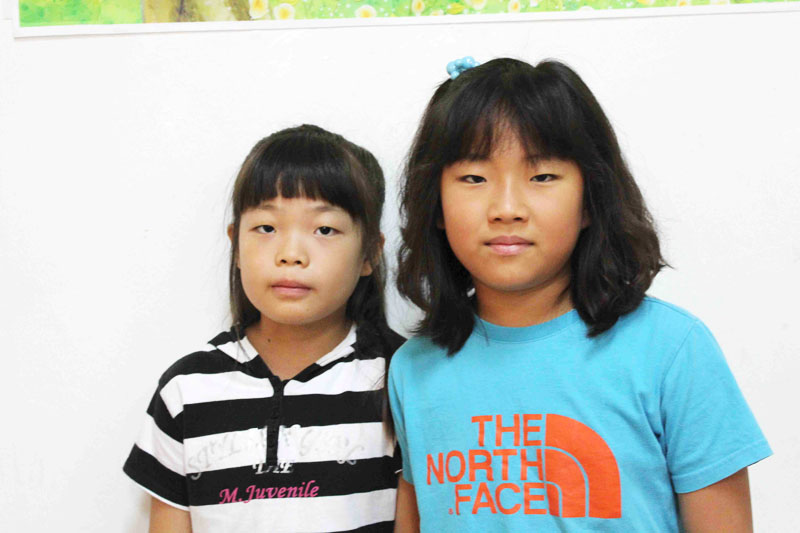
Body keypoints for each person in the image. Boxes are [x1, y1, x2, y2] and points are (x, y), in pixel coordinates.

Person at [389, 57, 771, 532]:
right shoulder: (413, 368)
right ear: (436, 205)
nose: (506, 208)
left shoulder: (671, 350)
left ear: (590, 200)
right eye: (473, 178)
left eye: (542, 176)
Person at [123, 124, 404, 532]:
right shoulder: (186, 390)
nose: (291, 254)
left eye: (325, 229)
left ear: (370, 255)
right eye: (267, 228)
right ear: (236, 244)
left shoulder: (401, 380)